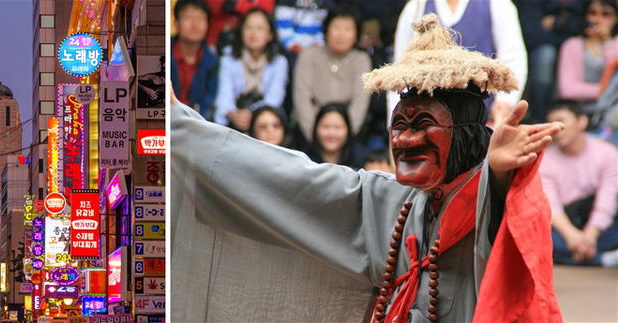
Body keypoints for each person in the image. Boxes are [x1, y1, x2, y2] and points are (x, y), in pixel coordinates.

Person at [171, 14, 563, 322]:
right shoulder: (391, 203)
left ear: (465, 134)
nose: (405, 141)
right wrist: (181, 127)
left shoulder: (487, 194)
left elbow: (510, 247)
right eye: (400, 125)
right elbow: (292, 179)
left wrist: (496, 177)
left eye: (424, 125)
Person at [388, 0, 527, 122]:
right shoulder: (417, 7)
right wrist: (395, 121)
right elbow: (399, 71)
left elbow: (512, 57)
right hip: (426, 123)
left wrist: (505, 102)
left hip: (481, 122)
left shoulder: (497, 4)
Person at [541, 101, 618, 266]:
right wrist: (572, 237)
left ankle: (584, 252)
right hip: (563, 225)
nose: (557, 130)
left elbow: (607, 198)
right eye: (552, 124)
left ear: (581, 121)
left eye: (562, 121)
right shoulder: (545, 159)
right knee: (534, 236)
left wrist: (591, 235)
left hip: (600, 225)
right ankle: (601, 259)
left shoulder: (607, 153)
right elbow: (551, 206)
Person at [293, 6, 372, 143]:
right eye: (336, 27)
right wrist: (315, 137)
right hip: (311, 135)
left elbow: (360, 103)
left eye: (347, 29)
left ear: (356, 35)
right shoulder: (308, 55)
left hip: (348, 137)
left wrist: (343, 138)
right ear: (326, 30)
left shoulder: (362, 60)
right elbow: (302, 99)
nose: (341, 34)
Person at [214, 9, 289, 132]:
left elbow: (274, 99)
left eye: (260, 28)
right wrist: (234, 115)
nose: (253, 33)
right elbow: (224, 96)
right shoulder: (228, 58)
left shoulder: (279, 62)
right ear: (241, 32)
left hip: (265, 120)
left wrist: (251, 114)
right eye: (248, 27)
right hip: (233, 122)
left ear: (270, 35)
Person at [515, 0, 586, 123]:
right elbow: (531, 35)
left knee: (573, 46)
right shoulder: (531, 3)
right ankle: (538, 119)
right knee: (545, 54)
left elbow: (587, 27)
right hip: (536, 51)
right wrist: (566, 37)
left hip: (575, 48)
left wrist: (559, 23)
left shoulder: (584, 3)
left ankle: (578, 118)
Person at [558, 0, 618, 102]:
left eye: (606, 14)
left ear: (616, 18)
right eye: (592, 13)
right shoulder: (572, 45)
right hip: (580, 111)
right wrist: (603, 91)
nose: (598, 19)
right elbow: (567, 89)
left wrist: (607, 42)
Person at [171, 0, 220, 121]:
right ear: (176, 23)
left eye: (200, 18)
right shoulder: (165, 53)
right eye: (188, 17)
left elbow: (210, 101)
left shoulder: (212, 60)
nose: (195, 24)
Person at [307, 104, 366, 168]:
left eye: (338, 127)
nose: (331, 134)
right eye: (326, 127)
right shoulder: (305, 160)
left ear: (348, 130)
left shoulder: (363, 158)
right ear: (316, 128)